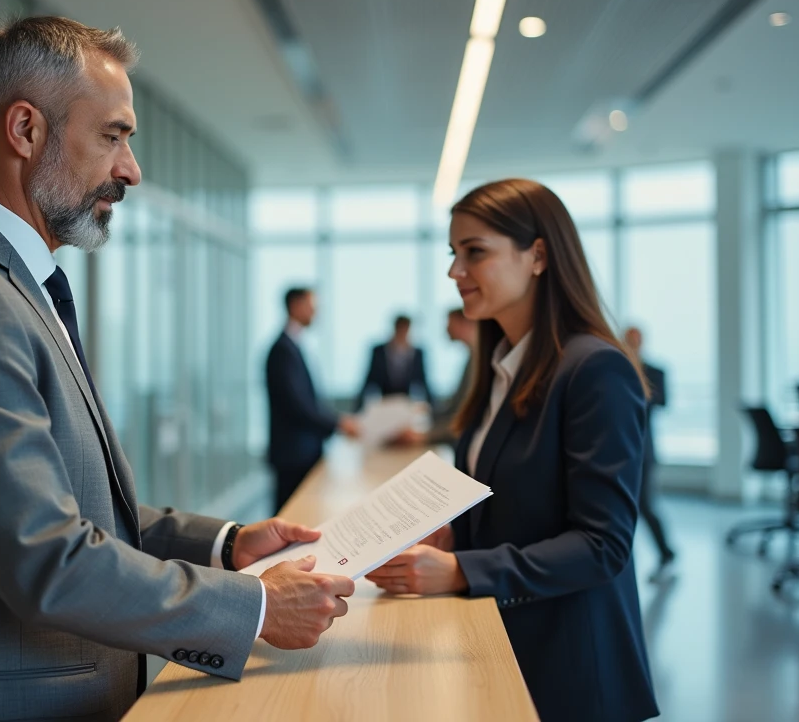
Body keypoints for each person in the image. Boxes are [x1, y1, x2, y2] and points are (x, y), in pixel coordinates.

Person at [0, 17, 355, 722]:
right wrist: (258, 607)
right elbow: (44, 559)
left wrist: (228, 545)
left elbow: (73, 508)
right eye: (113, 136)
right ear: (25, 131)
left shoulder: (9, 284)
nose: (131, 169)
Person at [366, 179, 658, 722]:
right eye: (453, 254)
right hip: (500, 638)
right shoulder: (498, 365)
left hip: (568, 662)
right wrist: (456, 533)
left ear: (539, 255)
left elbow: (602, 545)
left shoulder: (594, 369)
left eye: (475, 252)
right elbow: (507, 498)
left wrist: (460, 570)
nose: (455, 272)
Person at [266, 287, 359, 512]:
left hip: (300, 450)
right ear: (296, 306)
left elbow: (308, 400)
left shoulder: (292, 346)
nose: (315, 313)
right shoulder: (283, 350)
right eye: (312, 307)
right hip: (293, 453)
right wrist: (338, 423)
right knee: (289, 516)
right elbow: (297, 405)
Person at [623, 325, 676, 579]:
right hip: (621, 448)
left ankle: (666, 552)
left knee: (645, 503)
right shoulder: (617, 368)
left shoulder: (654, 371)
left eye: (635, 340)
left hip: (644, 449)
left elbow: (662, 402)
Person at [354, 314, 434, 411]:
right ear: (395, 328)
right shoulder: (379, 351)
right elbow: (368, 380)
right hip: (384, 402)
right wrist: (357, 408)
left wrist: (434, 408)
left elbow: (424, 381)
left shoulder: (416, 353)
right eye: (400, 329)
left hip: (407, 402)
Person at [426, 308, 478, 444]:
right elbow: (455, 405)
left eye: (449, 323)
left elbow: (467, 416)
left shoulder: (478, 361)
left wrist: (426, 436)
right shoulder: (471, 357)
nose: (446, 329)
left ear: (463, 323)